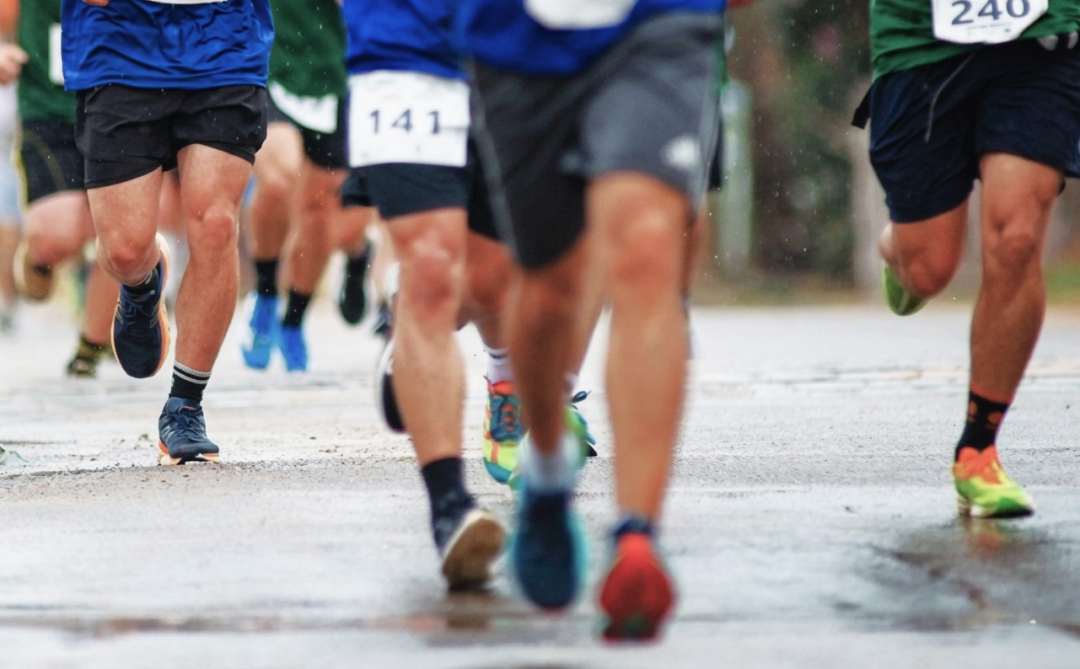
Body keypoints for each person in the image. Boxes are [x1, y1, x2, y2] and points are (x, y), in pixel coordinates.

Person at [457, 0, 727, 639]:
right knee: (549, 290)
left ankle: (638, 535)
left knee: (645, 250)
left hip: (657, 23)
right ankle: (547, 467)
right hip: (519, 34)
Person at [859, 0, 1080, 518]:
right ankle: (898, 251)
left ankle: (978, 449)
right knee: (930, 268)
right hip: (921, 37)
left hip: (1042, 33)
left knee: (1018, 236)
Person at [341, 0, 534, 590]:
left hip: (520, 51)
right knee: (429, 271)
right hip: (401, 49)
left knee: (492, 283)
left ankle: (416, 341)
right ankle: (449, 504)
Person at [62, 0, 272, 464]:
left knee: (216, 224)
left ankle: (185, 404)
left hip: (225, 38)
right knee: (122, 250)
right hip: (120, 42)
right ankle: (142, 284)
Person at [241, 0, 372, 373]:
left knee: (319, 213)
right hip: (270, 66)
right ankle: (265, 293)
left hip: (335, 74)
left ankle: (294, 320)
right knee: (280, 180)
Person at [0, 0, 119, 375]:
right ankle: (37, 257)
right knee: (58, 237)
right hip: (50, 109)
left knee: (118, 230)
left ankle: (93, 345)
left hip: (124, 108)